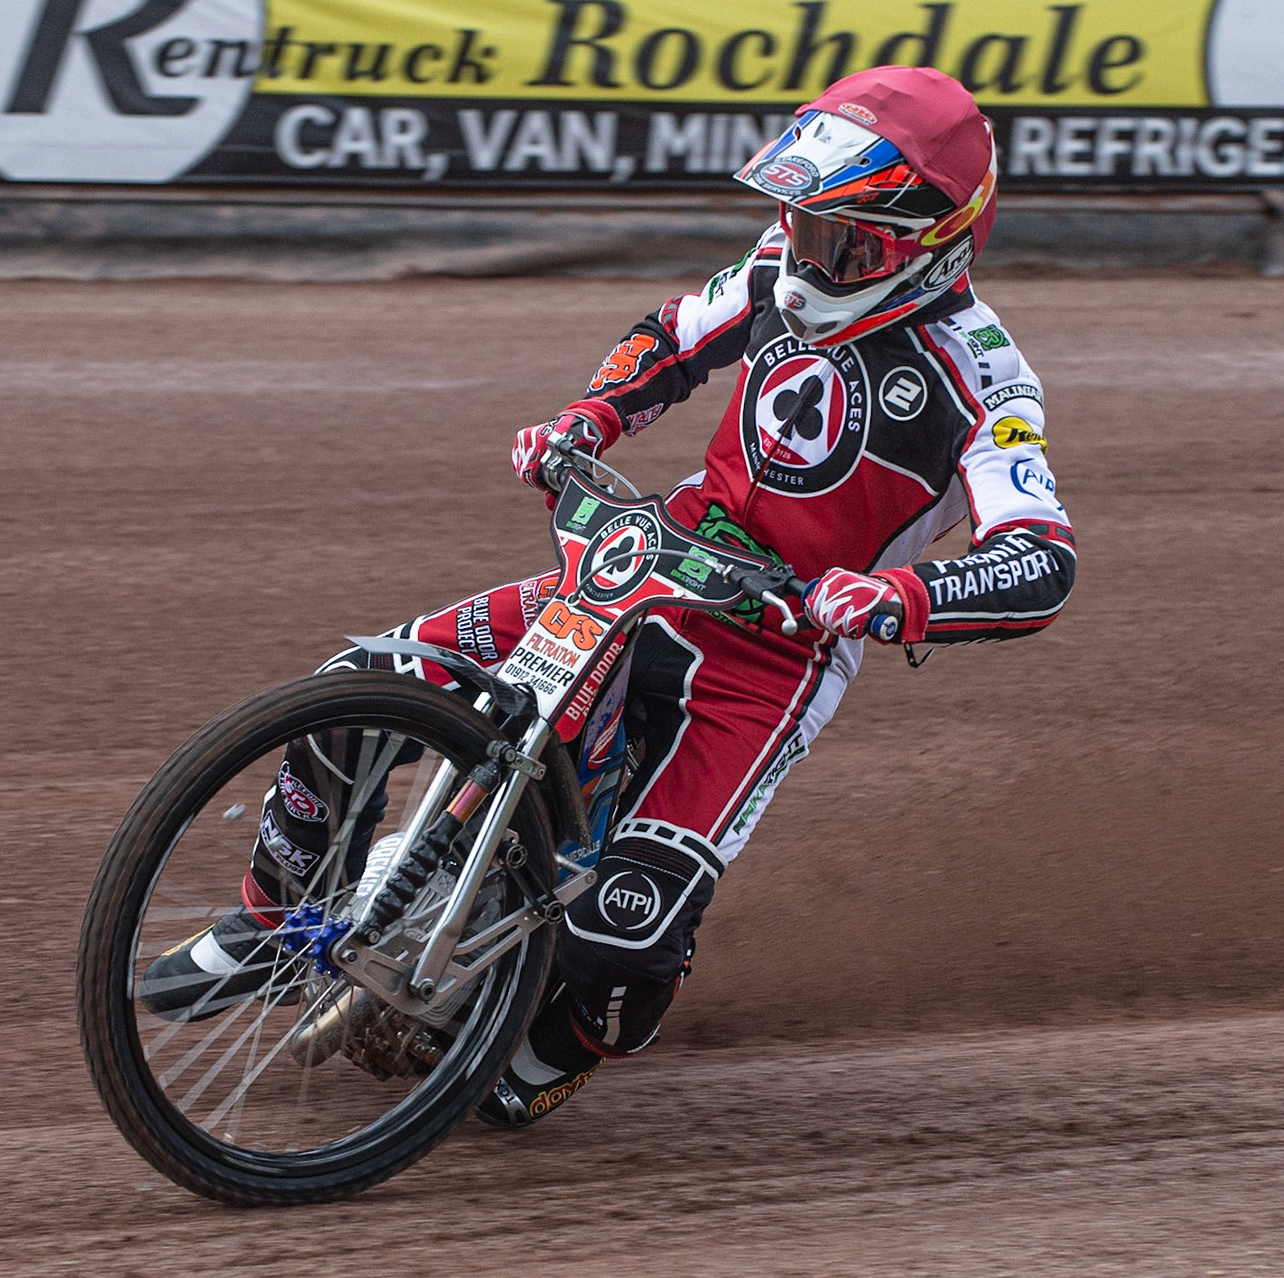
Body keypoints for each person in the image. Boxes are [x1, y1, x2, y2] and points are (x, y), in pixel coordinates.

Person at [140, 65, 1076, 1127]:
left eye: (842, 241)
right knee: (358, 685)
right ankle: (273, 923)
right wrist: (589, 418)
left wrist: (894, 596)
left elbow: (1039, 558)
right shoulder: (781, 264)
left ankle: (565, 1039)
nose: (809, 255)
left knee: (622, 943)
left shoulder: (985, 378)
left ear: (928, 242)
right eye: (802, 223)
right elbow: (671, 335)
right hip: (647, 560)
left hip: (772, 650)